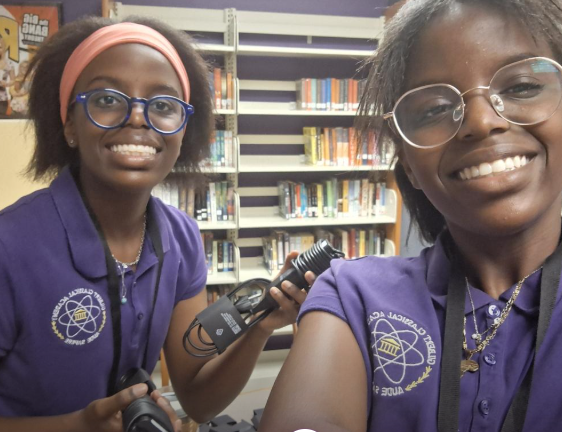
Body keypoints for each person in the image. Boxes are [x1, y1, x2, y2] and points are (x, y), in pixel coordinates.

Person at [260, 0, 562, 431]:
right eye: (434, 109)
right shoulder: (353, 296)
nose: (481, 121)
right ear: (408, 164)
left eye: (522, 87)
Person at [0, 15, 310, 432]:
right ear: (70, 123)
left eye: (163, 105)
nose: (137, 118)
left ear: (183, 133)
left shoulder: (182, 238)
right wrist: (78, 426)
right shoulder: (10, 247)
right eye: (107, 99)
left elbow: (198, 400)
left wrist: (260, 327)